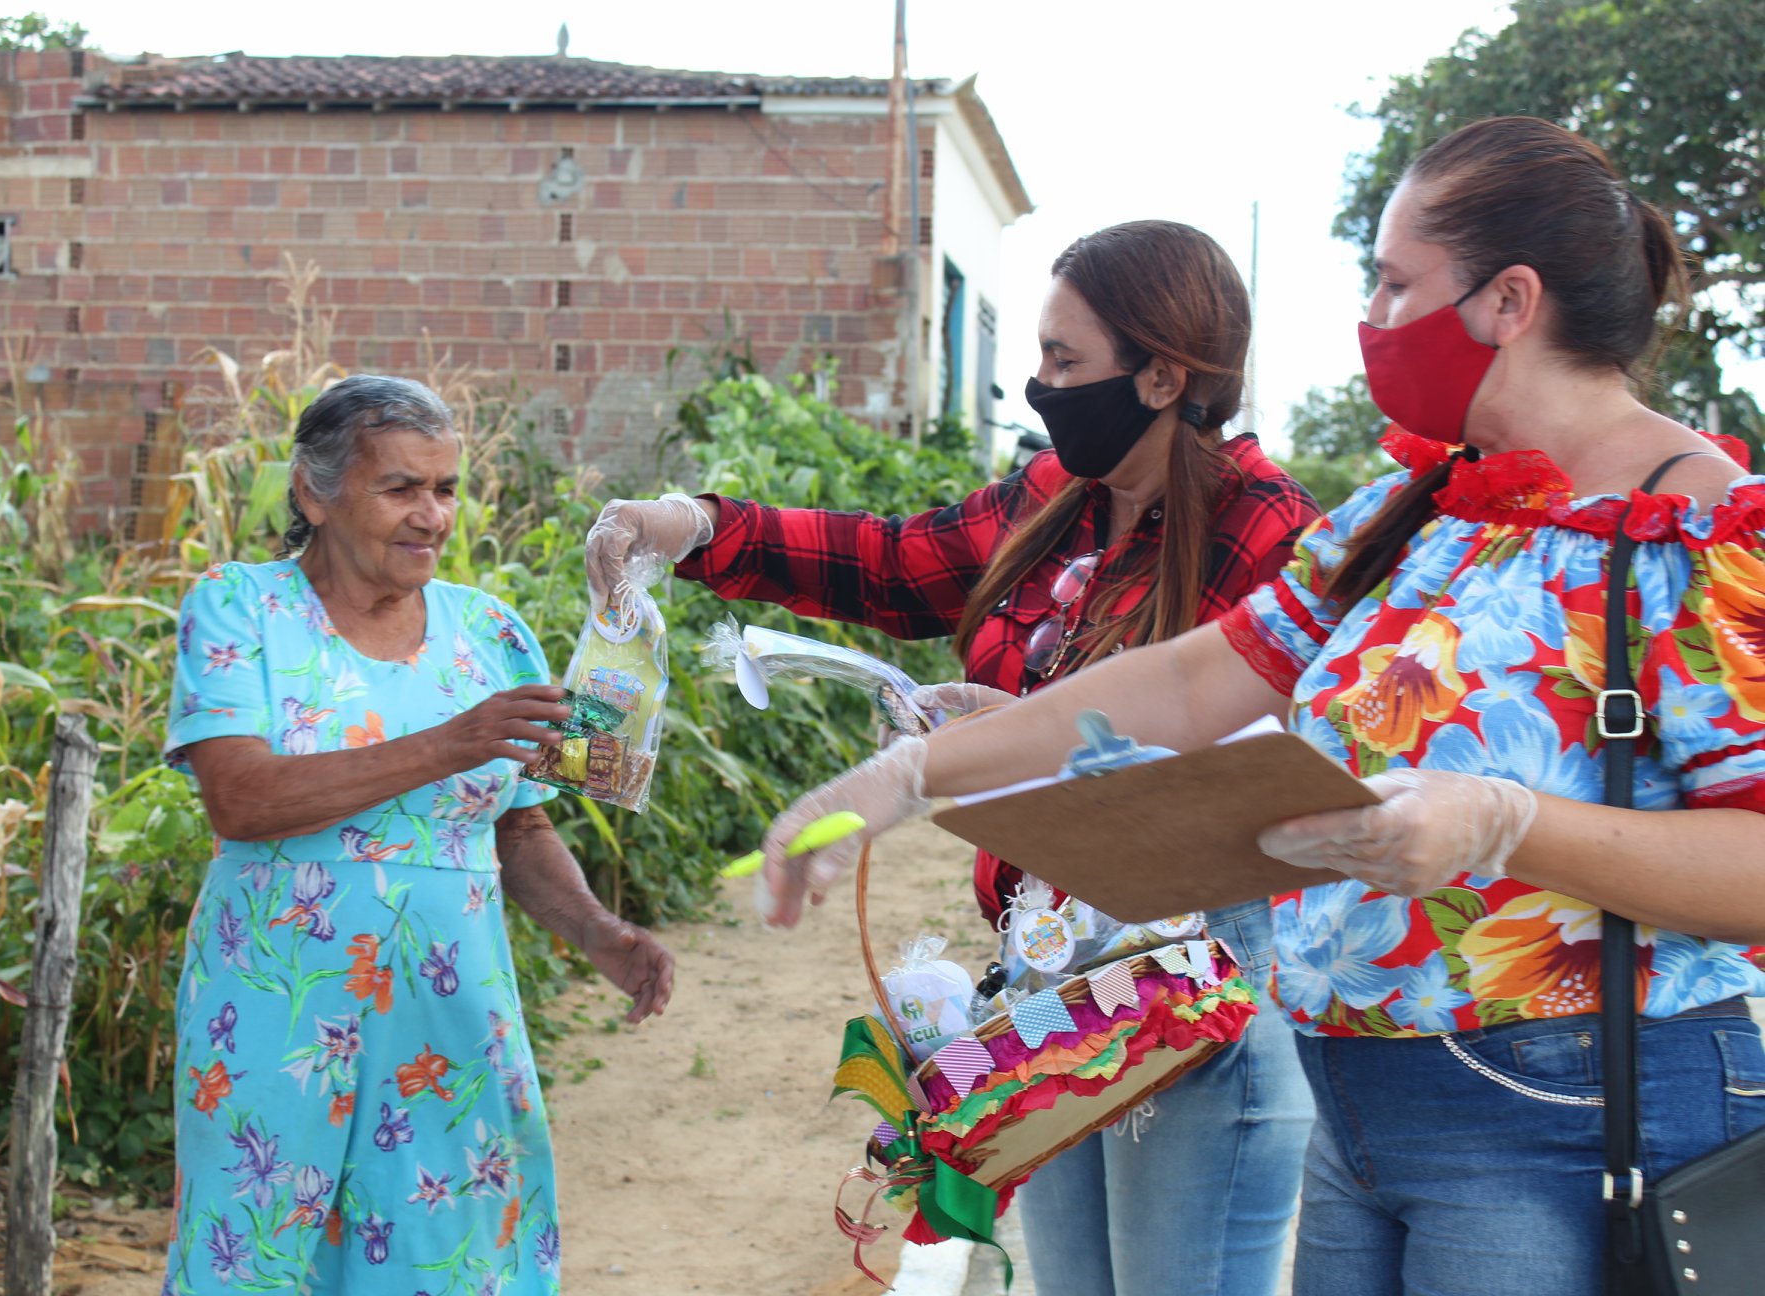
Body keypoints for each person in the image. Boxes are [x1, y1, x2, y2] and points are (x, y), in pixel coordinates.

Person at [758, 117, 1765, 1295]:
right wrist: (910, 776)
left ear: (1509, 301)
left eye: (1394, 285)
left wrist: (1507, 826)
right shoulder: (1419, 509)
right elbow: (1195, 679)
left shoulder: (1698, 530)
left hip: (1565, 1112)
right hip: (1363, 1107)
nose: (1373, 319)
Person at [589, 222, 1321, 1295]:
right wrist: (696, 526)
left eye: (1064, 360)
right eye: (1038, 356)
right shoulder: (1059, 499)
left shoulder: (1268, 534)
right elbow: (893, 563)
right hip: (1054, 979)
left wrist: (1012, 739)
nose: (1040, 386)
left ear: (1164, 377)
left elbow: (1221, 756)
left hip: (1194, 993)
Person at [159, 376, 674, 1296]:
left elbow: (519, 825)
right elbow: (239, 799)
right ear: (314, 492)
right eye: (400, 488)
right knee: (260, 1246)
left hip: (449, 1018)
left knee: (448, 1247)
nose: (431, 515)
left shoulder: (489, 631)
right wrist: (447, 744)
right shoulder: (240, 608)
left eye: (444, 489)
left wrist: (598, 930)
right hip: (280, 1011)